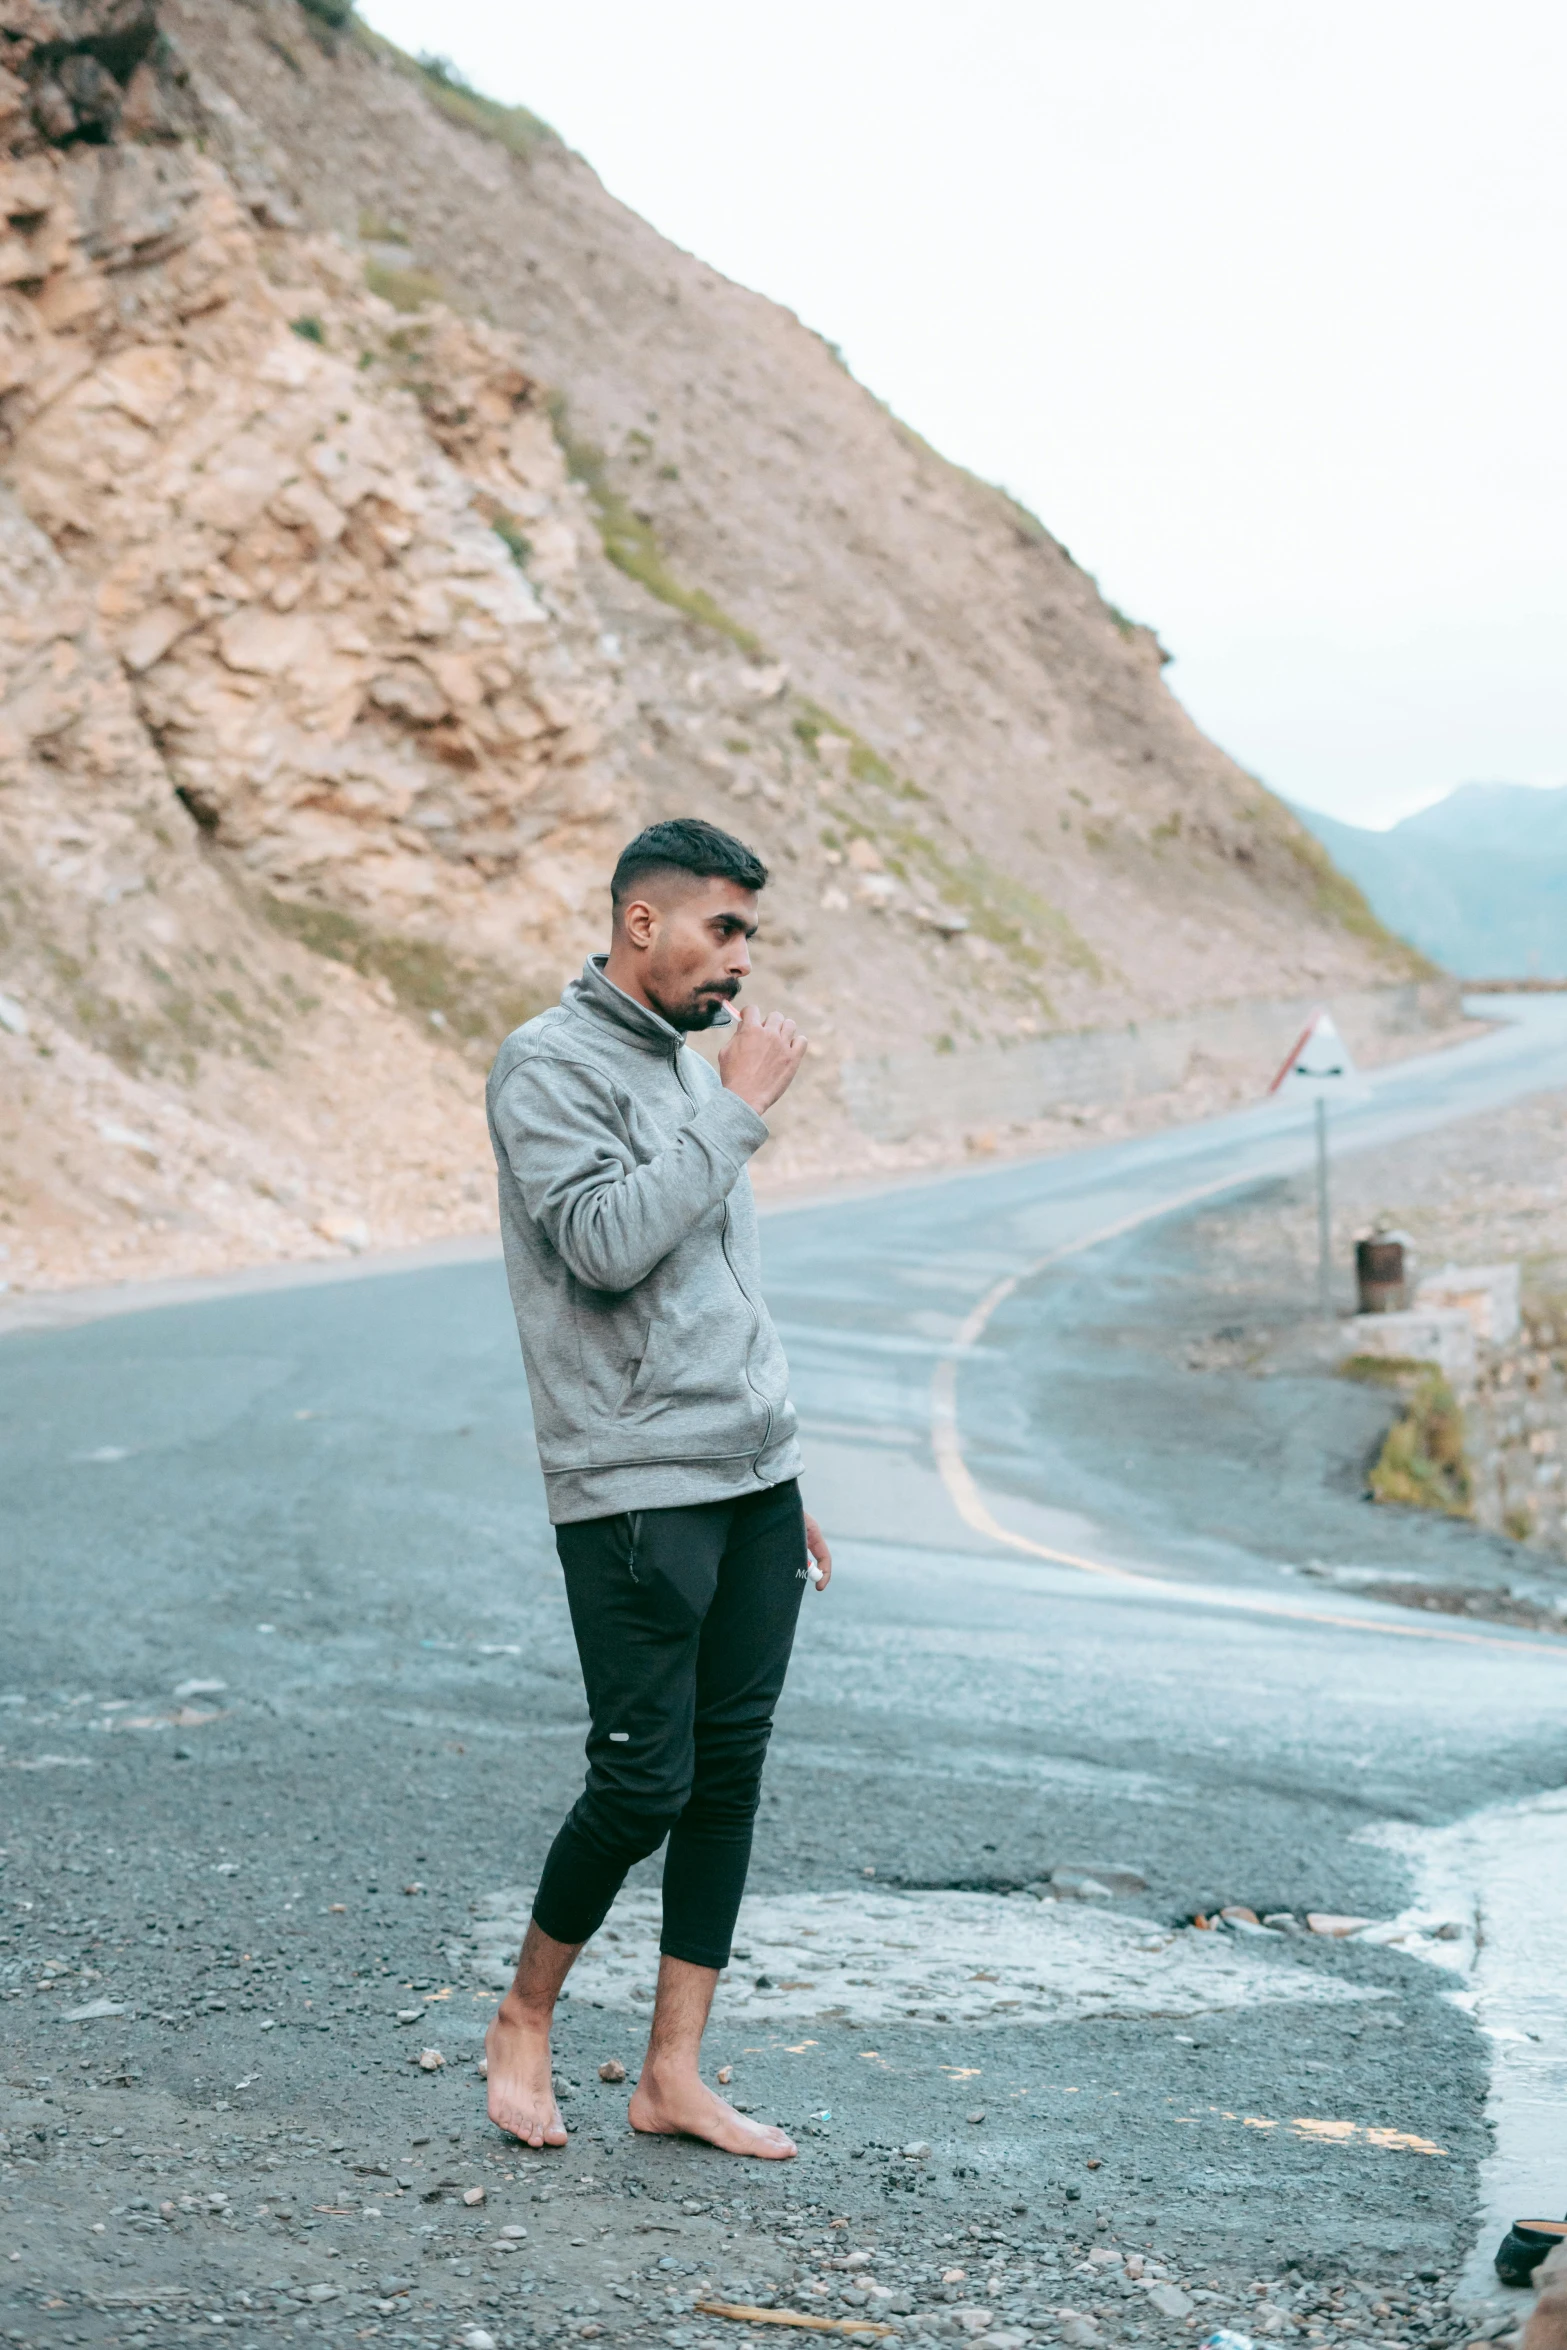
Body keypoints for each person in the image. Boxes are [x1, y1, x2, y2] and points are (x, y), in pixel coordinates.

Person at [483, 817, 831, 2161]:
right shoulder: (547, 1065)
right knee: (642, 1780)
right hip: (631, 1478)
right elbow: (609, 1246)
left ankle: (669, 2073)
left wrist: (777, 1463)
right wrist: (739, 1107)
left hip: (746, 1476)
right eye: (721, 929)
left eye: (749, 933)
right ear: (643, 922)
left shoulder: (690, 1072)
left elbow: (725, 1293)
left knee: (727, 1776)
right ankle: (524, 2014)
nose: (738, 961)